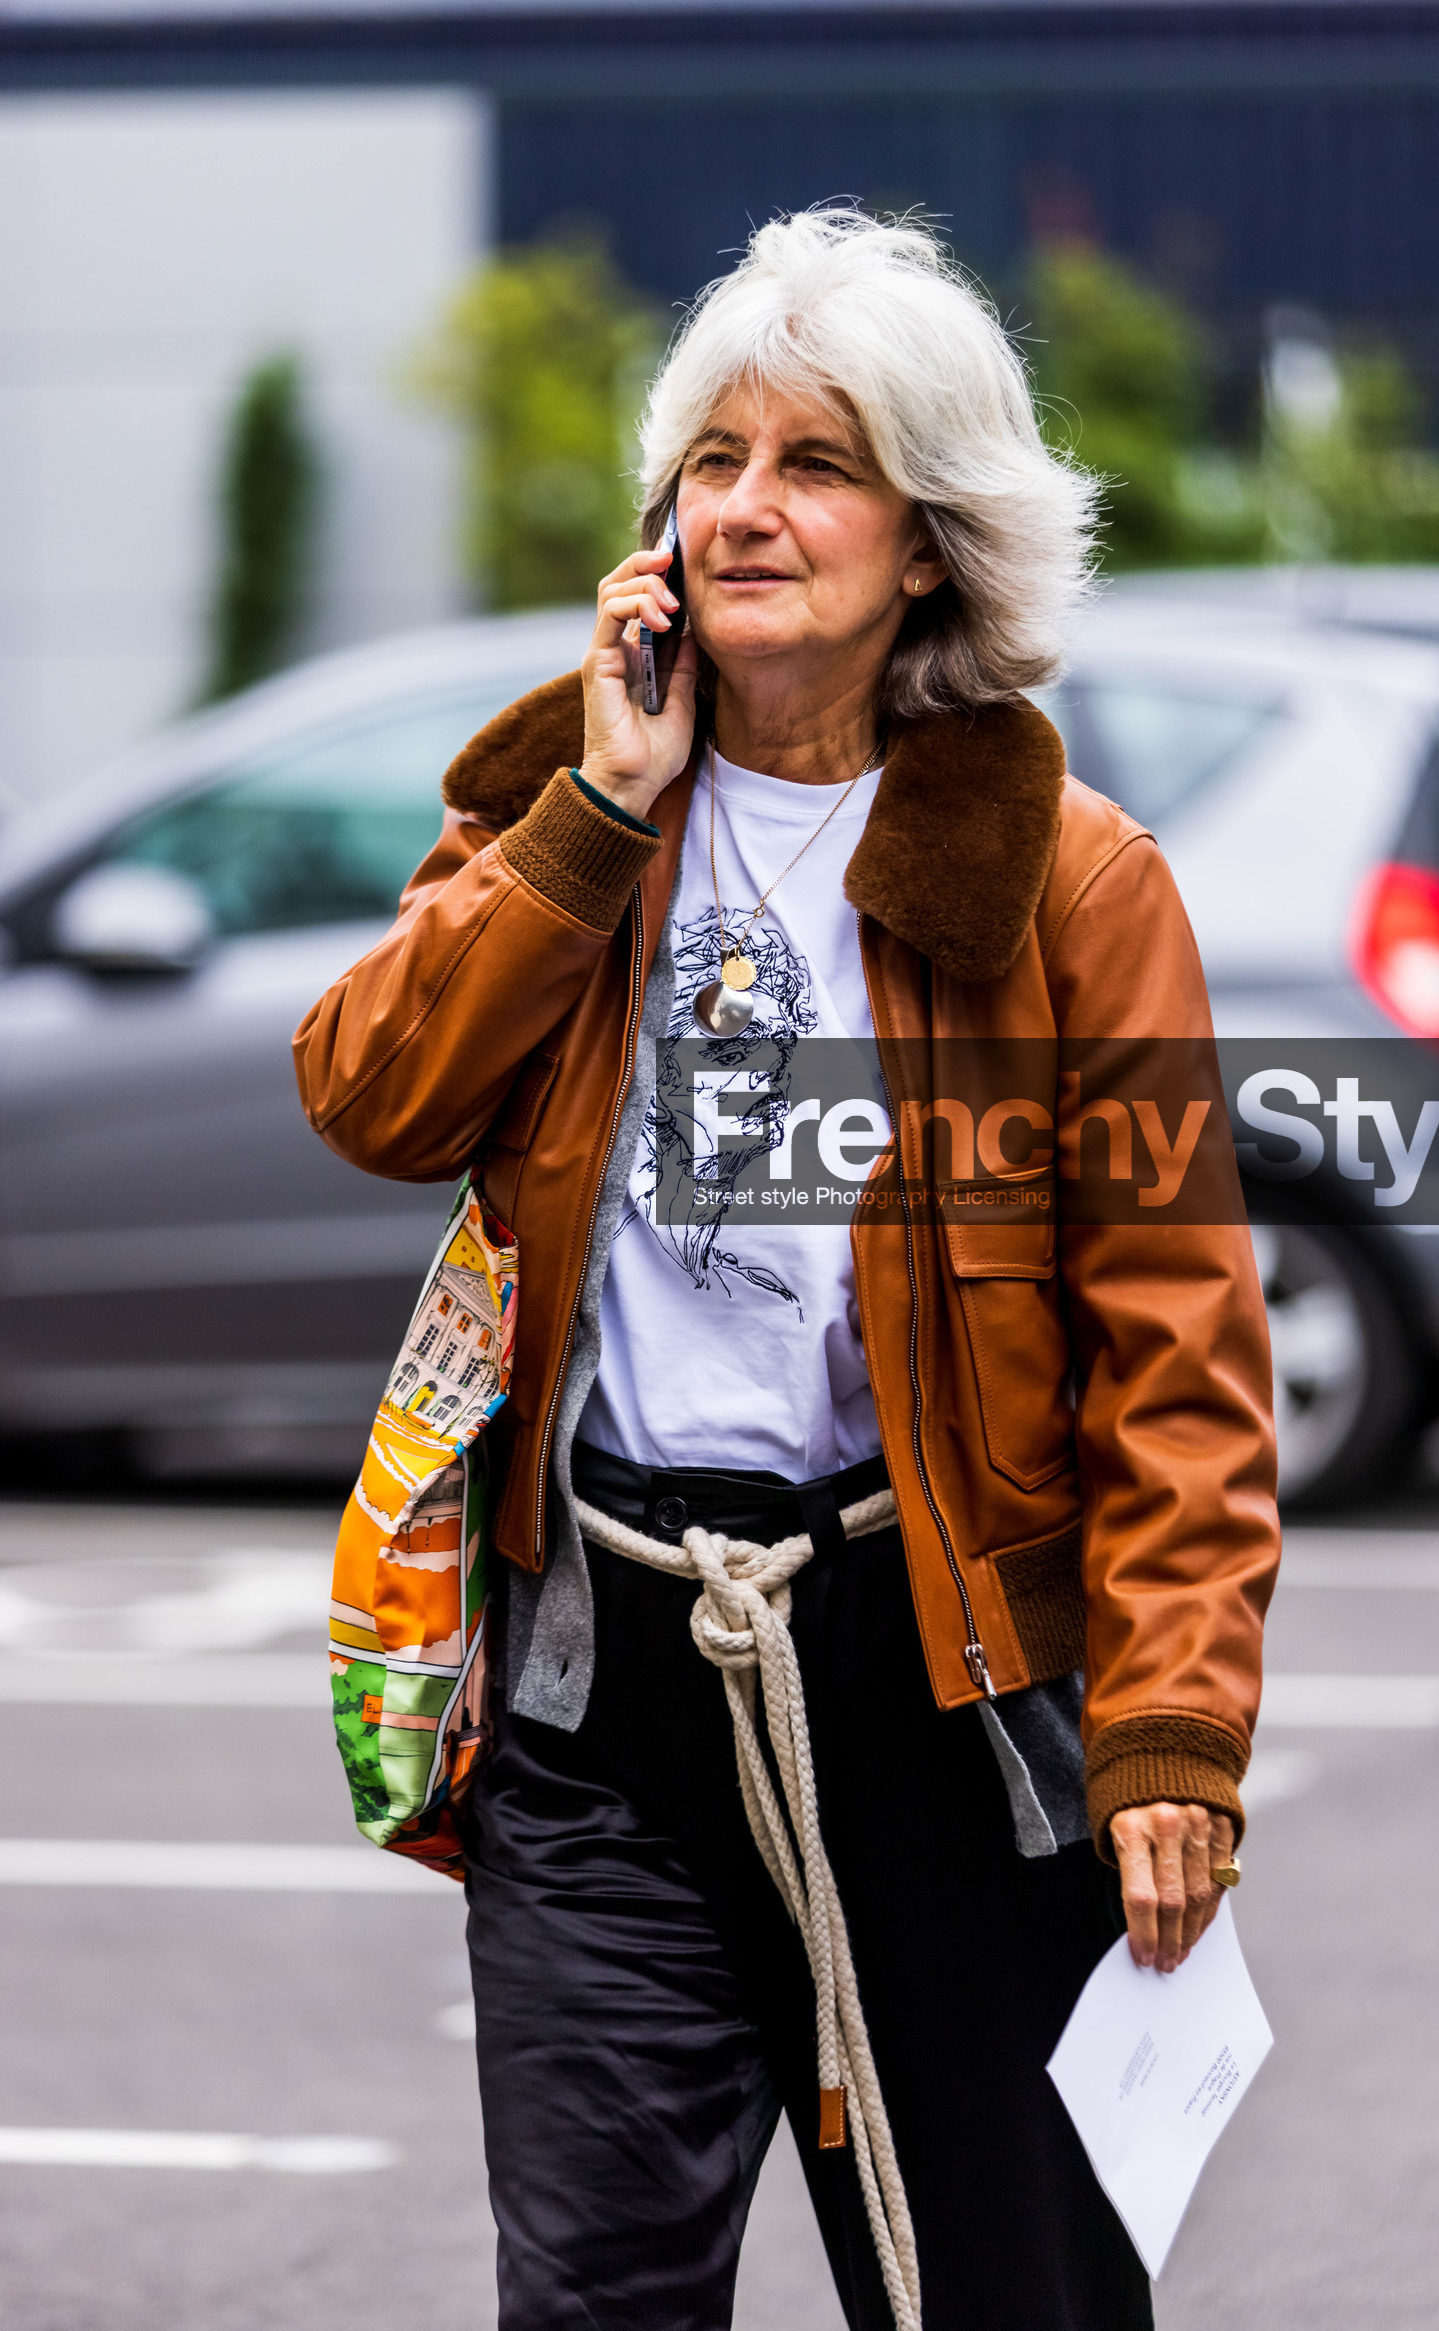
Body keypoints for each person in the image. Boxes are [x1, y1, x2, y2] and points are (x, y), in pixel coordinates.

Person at [295, 208, 1278, 2331]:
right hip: (601, 1700)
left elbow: (1179, 1357)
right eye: (710, 464)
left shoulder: (1069, 886)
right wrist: (592, 816)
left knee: (996, 2295)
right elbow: (367, 1092)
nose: (744, 510)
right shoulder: (561, 805)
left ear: (926, 540)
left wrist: (1173, 1745)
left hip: (932, 1686)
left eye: (812, 464)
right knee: (592, 2301)